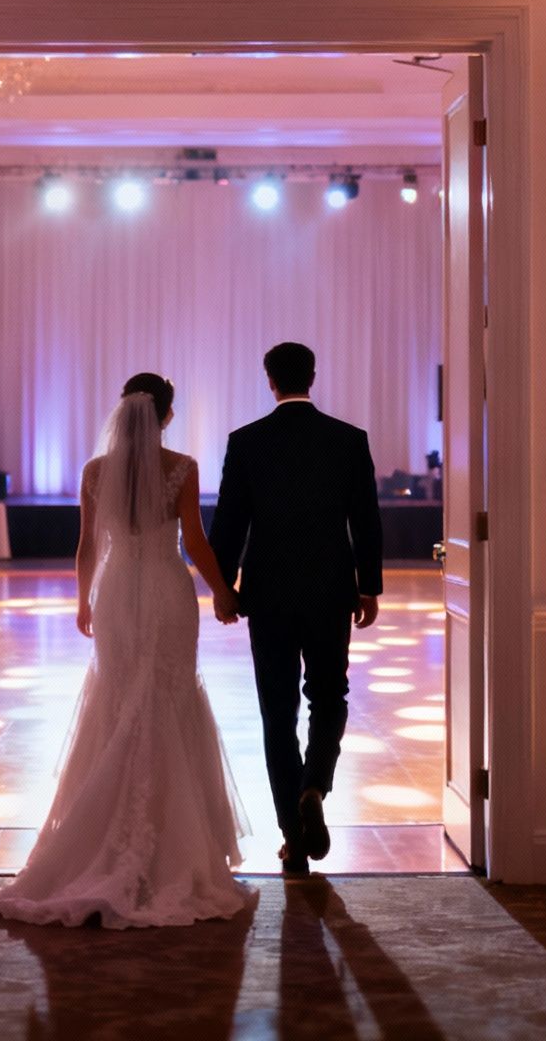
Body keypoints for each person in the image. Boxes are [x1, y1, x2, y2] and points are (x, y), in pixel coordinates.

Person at [0, 373, 254, 928]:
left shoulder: (94, 472)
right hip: (166, 591)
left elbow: (86, 545)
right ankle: (173, 846)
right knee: (169, 696)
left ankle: (101, 836)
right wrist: (224, 589)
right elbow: (195, 543)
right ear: (167, 415)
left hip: (117, 592)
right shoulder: (181, 466)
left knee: (117, 697)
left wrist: (84, 602)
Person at [208, 343, 384, 877]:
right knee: (330, 695)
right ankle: (315, 785)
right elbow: (367, 521)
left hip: (269, 593)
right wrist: (368, 586)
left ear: (270, 381)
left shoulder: (247, 442)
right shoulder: (349, 441)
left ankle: (294, 840)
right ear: (313, 375)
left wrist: (224, 587)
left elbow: (230, 524)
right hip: (331, 589)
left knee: (277, 711)